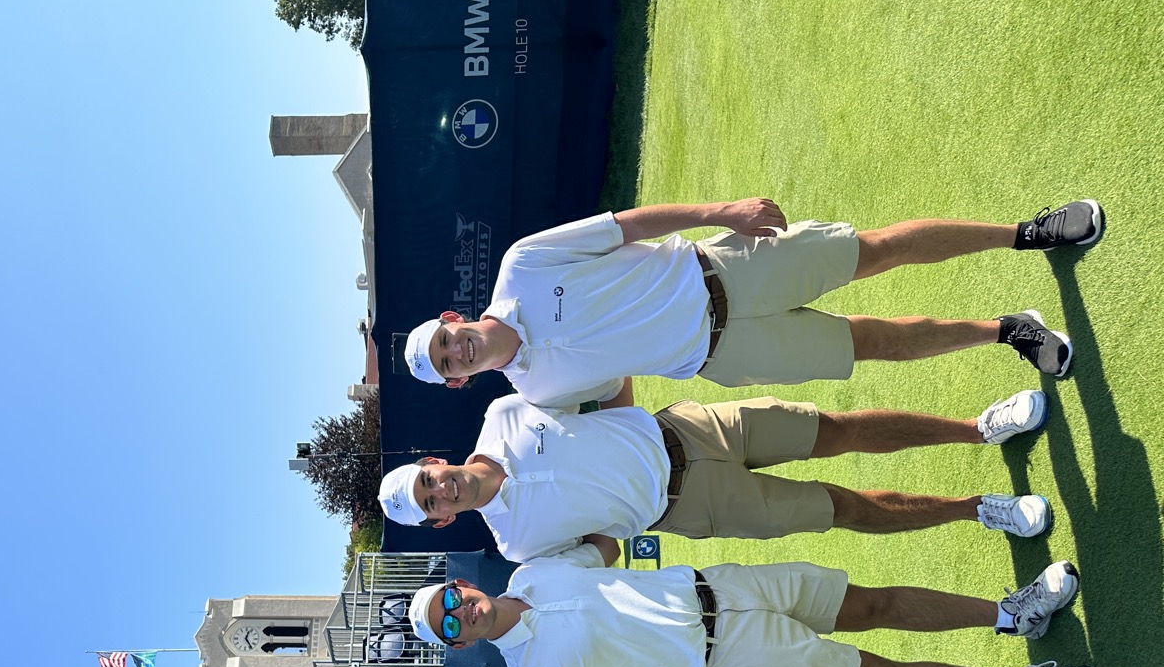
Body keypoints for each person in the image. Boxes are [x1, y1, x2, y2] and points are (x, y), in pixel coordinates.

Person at [401, 198, 1105, 405]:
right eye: (447, 363)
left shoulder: (523, 264)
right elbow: (613, 396)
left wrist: (722, 212)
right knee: (874, 343)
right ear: (458, 380)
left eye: (445, 338)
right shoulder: (535, 395)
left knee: (878, 250)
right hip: (727, 355)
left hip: (728, 269)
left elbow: (626, 226)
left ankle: (1027, 232)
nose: (454, 350)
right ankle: (1009, 331)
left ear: (453, 319)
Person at [406, 535, 1099, 667]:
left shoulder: (533, 569)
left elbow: (605, 549)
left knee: (873, 603)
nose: (459, 611)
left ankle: (1014, 615)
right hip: (729, 660)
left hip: (726, 586)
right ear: (460, 646)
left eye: (451, 598)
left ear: (461, 585)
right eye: (449, 625)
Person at [377, 389, 1054, 557]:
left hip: (690, 426)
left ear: (432, 463)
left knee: (837, 431)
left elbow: (599, 382)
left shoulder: (501, 413)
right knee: (840, 506)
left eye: (427, 477)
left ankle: (979, 428)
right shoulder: (515, 545)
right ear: (441, 519)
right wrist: (633, 508)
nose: (439, 488)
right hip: (693, 507)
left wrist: (632, 429)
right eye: (430, 501)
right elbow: (600, 553)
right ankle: (979, 508)